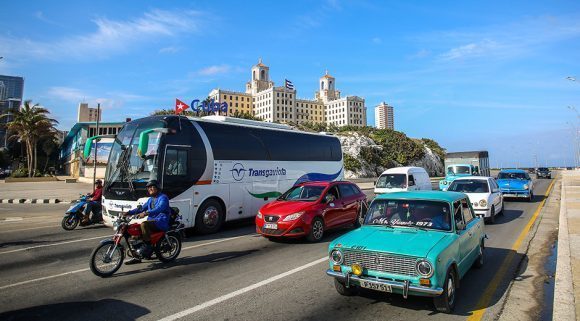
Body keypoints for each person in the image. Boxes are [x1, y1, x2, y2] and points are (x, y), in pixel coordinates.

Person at [125, 180, 171, 265]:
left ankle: (148, 246)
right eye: (149, 188)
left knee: (144, 224)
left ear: (158, 188)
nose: (150, 189)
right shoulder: (150, 199)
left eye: (152, 187)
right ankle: (137, 256)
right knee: (134, 230)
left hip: (160, 221)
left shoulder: (163, 197)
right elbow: (141, 208)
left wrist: (146, 213)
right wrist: (128, 212)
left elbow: (160, 208)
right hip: (152, 221)